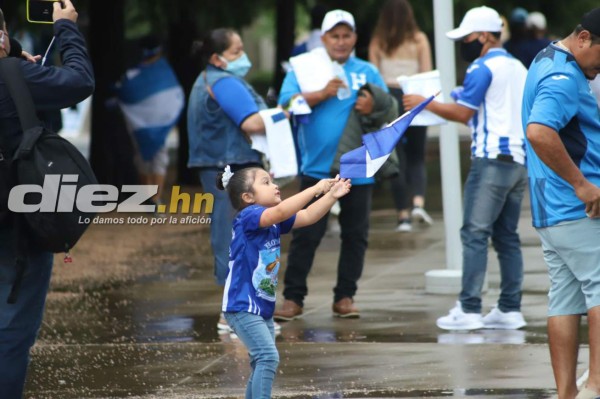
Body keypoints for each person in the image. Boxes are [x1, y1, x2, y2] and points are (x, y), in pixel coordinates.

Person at [403, 6, 529, 331]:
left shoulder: (482, 66)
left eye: (468, 37)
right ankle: (510, 308)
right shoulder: (517, 66)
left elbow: (462, 114)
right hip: (518, 161)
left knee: (474, 234)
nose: (465, 43)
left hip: (490, 161)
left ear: (485, 36)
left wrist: (423, 102)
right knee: (506, 237)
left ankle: (470, 308)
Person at [0, 1, 94, 398]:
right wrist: (66, 28)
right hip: (16, 222)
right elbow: (79, 82)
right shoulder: (12, 75)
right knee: (11, 329)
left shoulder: (13, 71)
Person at [274, 9, 388, 320]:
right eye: (334, 36)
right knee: (306, 233)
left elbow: (387, 111)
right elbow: (285, 105)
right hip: (317, 168)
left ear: (355, 38)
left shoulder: (367, 71)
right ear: (323, 38)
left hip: (358, 169)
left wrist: (372, 106)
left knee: (356, 234)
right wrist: (320, 93)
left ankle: (345, 297)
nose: (340, 41)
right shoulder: (305, 68)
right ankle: (293, 298)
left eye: (346, 35)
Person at [520, 8, 600, 399]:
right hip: (577, 207)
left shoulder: (545, 59)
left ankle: (568, 393)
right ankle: (597, 386)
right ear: (584, 38)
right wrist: (582, 185)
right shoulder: (564, 77)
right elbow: (538, 132)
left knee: (565, 299)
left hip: (549, 208)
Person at [219, 166, 351, 399]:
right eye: (266, 183)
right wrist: (315, 189)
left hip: (261, 307)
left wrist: (331, 196)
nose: (275, 186)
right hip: (242, 305)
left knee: (262, 360)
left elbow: (308, 216)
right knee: (268, 357)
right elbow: (280, 212)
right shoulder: (248, 216)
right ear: (248, 197)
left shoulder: (270, 221)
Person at [187, 28, 271, 332]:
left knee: (234, 236)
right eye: (236, 51)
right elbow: (252, 122)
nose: (243, 56)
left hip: (223, 165)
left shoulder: (211, 80)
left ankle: (239, 311)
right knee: (233, 238)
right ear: (216, 58)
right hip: (228, 168)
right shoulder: (223, 82)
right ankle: (233, 314)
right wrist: (283, 115)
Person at [369, 0, 433, 232]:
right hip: (413, 97)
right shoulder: (419, 40)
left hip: (389, 99)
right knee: (417, 155)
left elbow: (374, 77)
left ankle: (403, 216)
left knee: (396, 157)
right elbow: (426, 73)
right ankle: (418, 202)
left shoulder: (379, 42)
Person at [114, 35, 184, 206]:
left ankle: (151, 197)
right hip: (155, 125)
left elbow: (122, 93)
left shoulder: (134, 74)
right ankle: (154, 198)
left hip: (138, 125)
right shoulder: (163, 71)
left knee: (143, 159)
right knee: (156, 159)